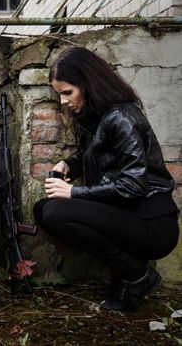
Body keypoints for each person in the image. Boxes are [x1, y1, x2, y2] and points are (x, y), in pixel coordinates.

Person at [33, 47, 179, 311]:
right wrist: (68, 164)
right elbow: (95, 152)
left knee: (56, 210)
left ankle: (138, 276)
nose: (64, 101)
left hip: (152, 224)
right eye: (60, 94)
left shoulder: (122, 118)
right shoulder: (97, 117)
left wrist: (73, 193)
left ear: (88, 84)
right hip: (127, 215)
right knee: (43, 209)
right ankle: (127, 276)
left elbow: (133, 186)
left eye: (68, 92)